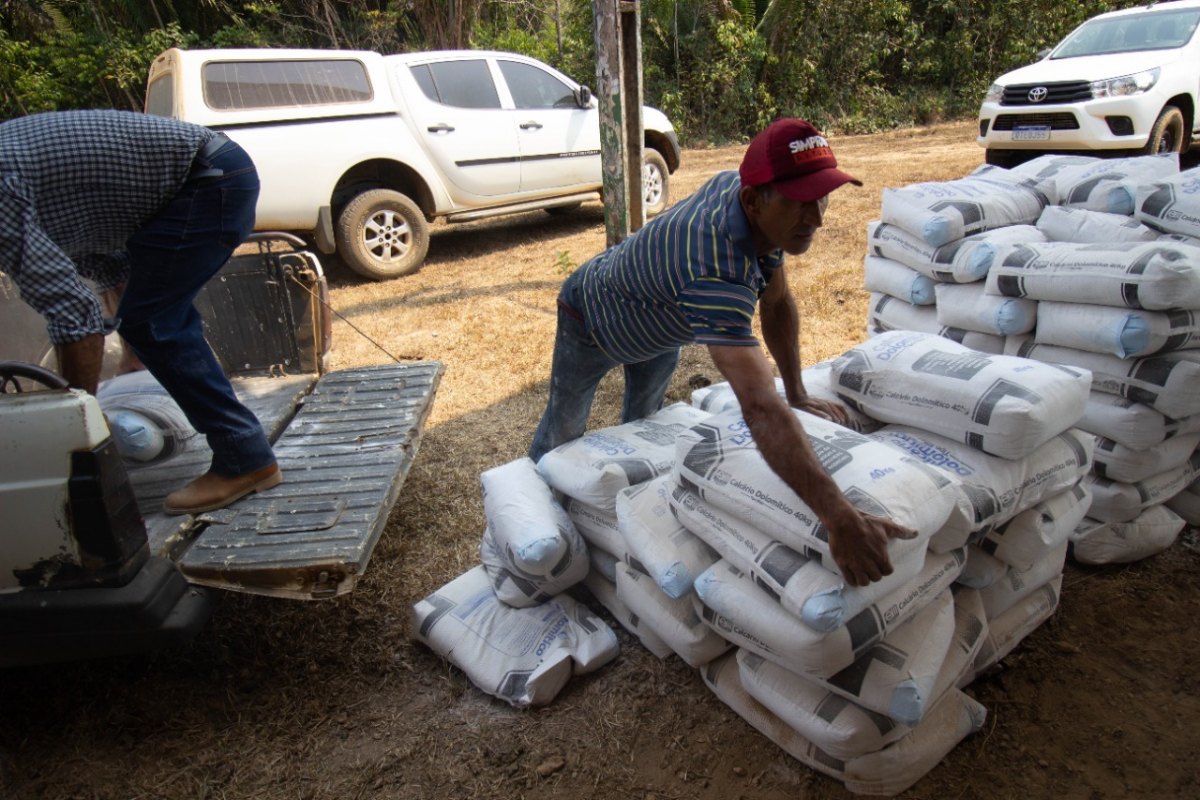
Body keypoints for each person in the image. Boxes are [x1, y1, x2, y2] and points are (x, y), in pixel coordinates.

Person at [529, 117, 914, 587]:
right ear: (754, 201)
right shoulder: (713, 270)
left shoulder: (749, 201)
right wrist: (838, 517)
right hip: (590, 319)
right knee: (563, 430)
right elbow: (758, 406)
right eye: (799, 202)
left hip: (660, 322)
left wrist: (796, 391)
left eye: (821, 197)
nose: (817, 218)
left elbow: (777, 302)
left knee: (644, 429)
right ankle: (534, 518)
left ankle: (628, 517)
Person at [0, 109, 281, 515]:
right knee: (148, 320)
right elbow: (111, 266)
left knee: (153, 322)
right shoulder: (21, 187)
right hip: (206, 175)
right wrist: (134, 356)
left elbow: (76, 317)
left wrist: (75, 439)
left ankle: (245, 459)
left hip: (207, 182)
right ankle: (245, 454)